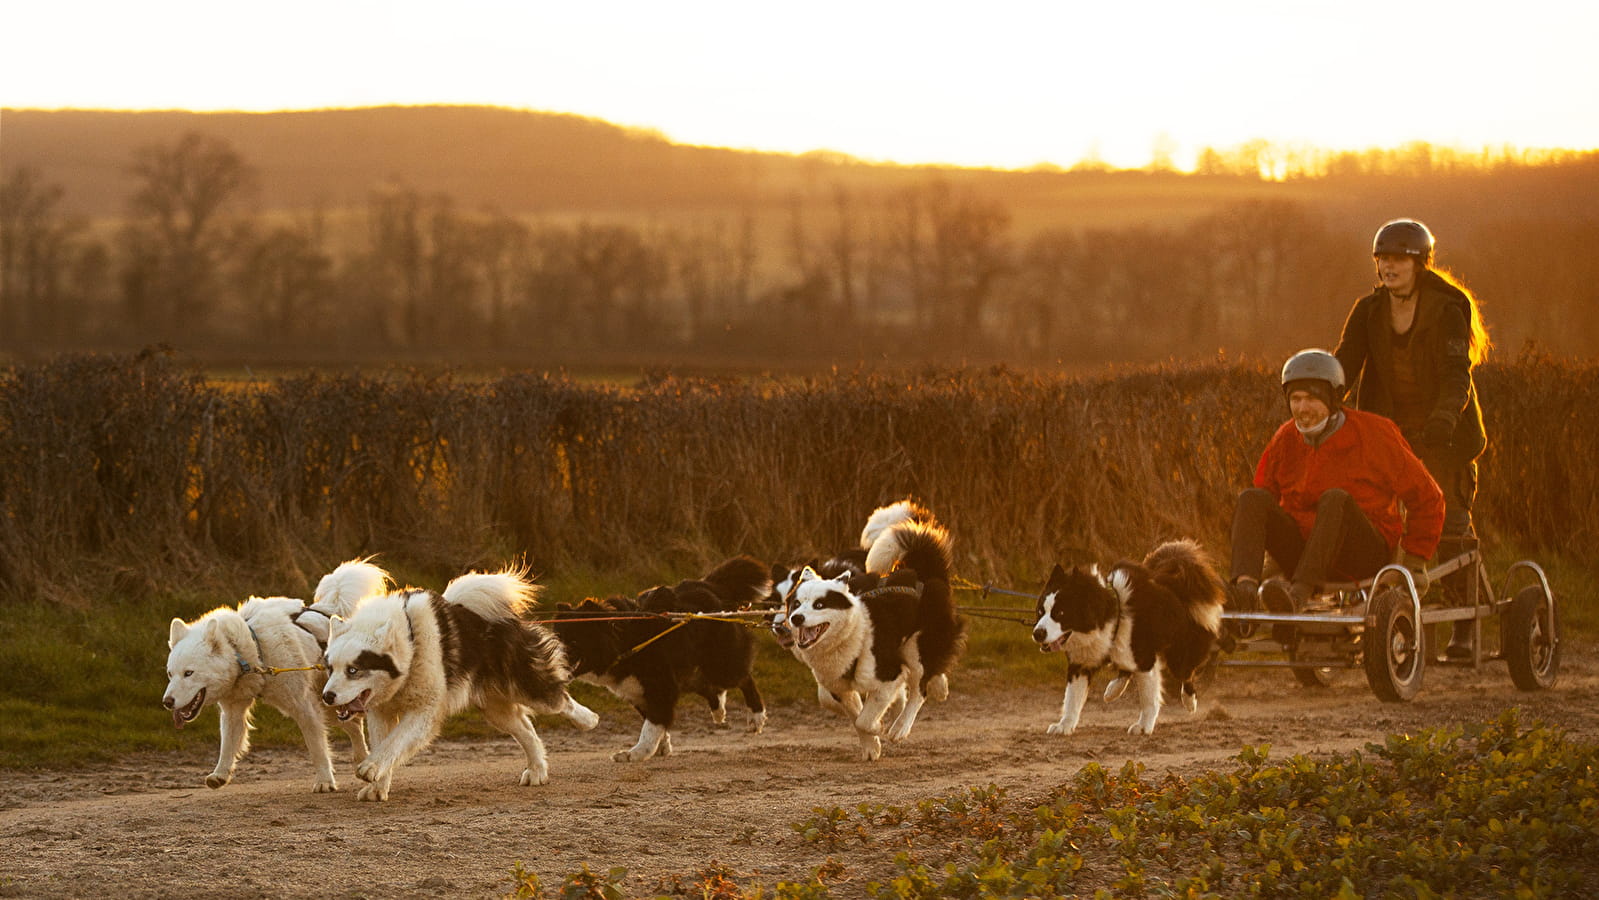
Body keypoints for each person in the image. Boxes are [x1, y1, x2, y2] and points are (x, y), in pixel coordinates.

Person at [1333, 219, 1490, 657]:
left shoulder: (1446, 308)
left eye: (1398, 258)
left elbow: (1457, 377)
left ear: (1420, 263)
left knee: (1450, 526)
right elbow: (1345, 362)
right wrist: (1318, 393)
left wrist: (1442, 423)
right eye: (1382, 258)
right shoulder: (1368, 310)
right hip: (1390, 434)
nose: (1388, 266)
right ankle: (1383, 616)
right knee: (1381, 524)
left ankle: (1462, 623)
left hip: (1447, 436)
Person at [1230, 350, 1445, 640]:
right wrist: (1263, 564)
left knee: (1335, 500)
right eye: (1295, 399)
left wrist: (1414, 562)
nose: (1303, 408)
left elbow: (1428, 497)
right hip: (1306, 554)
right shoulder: (1285, 439)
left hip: (1360, 553)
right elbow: (1264, 505)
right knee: (1251, 498)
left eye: (1312, 398)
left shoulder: (1375, 434)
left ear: (1334, 399)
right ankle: (1243, 596)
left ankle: (1297, 599)